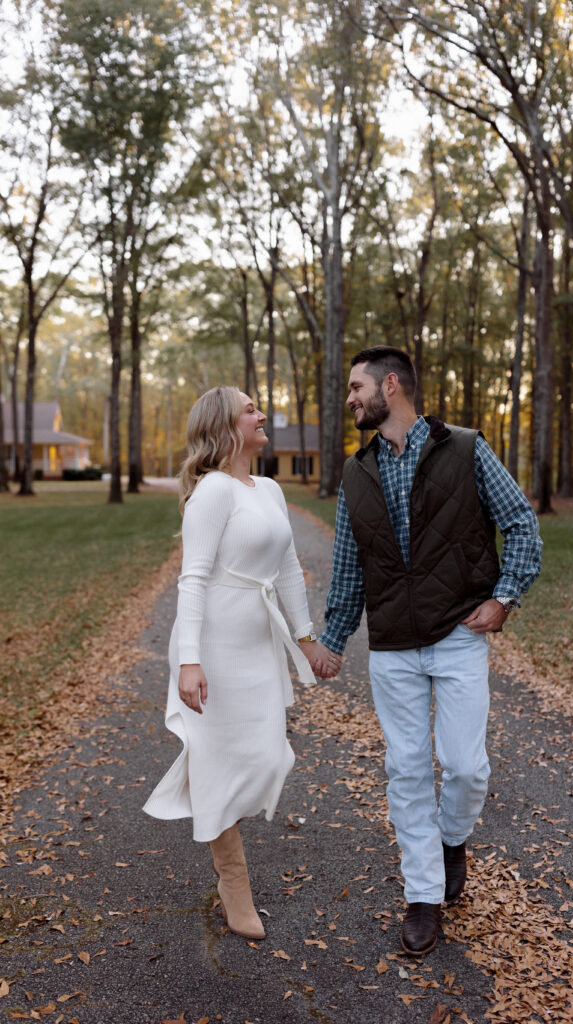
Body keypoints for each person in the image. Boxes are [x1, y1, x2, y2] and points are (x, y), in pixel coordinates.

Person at [315, 346, 542, 956]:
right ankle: (423, 894)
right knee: (407, 768)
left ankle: (450, 840)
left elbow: (521, 523)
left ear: (392, 386)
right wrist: (332, 642)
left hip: (458, 633)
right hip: (391, 647)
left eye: (358, 386)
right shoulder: (355, 472)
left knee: (466, 767)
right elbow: (346, 567)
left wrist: (504, 599)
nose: (351, 398)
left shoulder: (466, 448)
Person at [143, 386, 339, 940]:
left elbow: (286, 570)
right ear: (226, 426)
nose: (261, 415)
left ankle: (221, 841)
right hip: (215, 644)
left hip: (257, 644)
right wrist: (189, 661)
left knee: (266, 757)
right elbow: (194, 579)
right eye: (250, 409)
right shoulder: (212, 493)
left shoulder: (270, 489)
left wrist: (305, 641)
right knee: (218, 758)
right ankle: (234, 881)